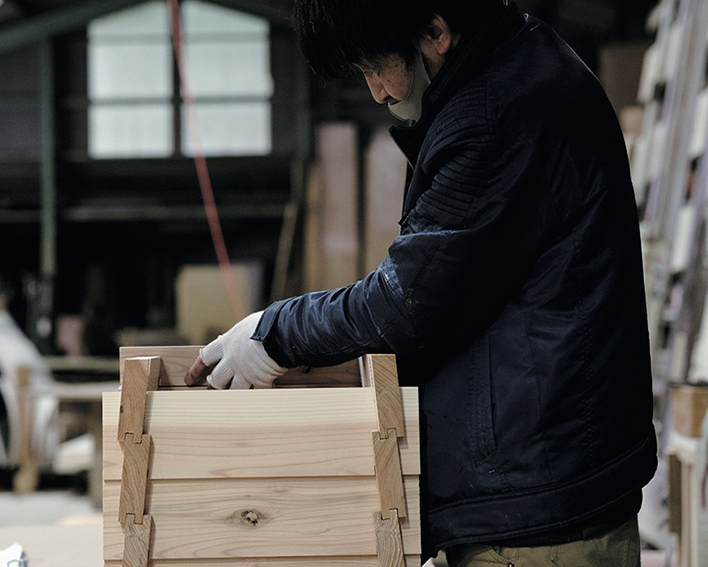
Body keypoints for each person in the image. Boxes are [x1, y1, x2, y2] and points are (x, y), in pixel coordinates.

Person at [185, 0, 658, 565]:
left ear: (435, 29)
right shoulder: (519, 65)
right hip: (543, 483)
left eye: (376, 68)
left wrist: (277, 332)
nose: (377, 93)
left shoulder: (494, 115)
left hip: (536, 515)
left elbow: (404, 303)